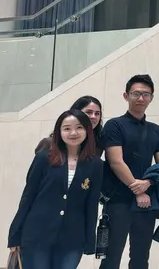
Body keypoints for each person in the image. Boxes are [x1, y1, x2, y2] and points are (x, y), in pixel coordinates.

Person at [9, 109, 103, 268]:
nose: (73, 133)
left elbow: (91, 204)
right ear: (59, 132)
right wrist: (15, 234)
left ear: (87, 130)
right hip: (37, 235)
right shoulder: (44, 158)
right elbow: (28, 197)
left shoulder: (95, 164)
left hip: (73, 238)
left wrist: (89, 240)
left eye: (79, 127)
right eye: (67, 128)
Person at [100, 74, 159, 269]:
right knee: (111, 258)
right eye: (136, 94)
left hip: (146, 203)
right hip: (118, 200)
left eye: (146, 94)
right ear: (126, 95)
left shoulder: (155, 130)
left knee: (140, 258)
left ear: (151, 98)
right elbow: (116, 162)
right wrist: (138, 190)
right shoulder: (114, 125)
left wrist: (148, 183)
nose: (141, 98)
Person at [35, 95, 105, 158]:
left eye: (97, 113)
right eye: (89, 112)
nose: (94, 117)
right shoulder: (49, 143)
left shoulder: (97, 145)